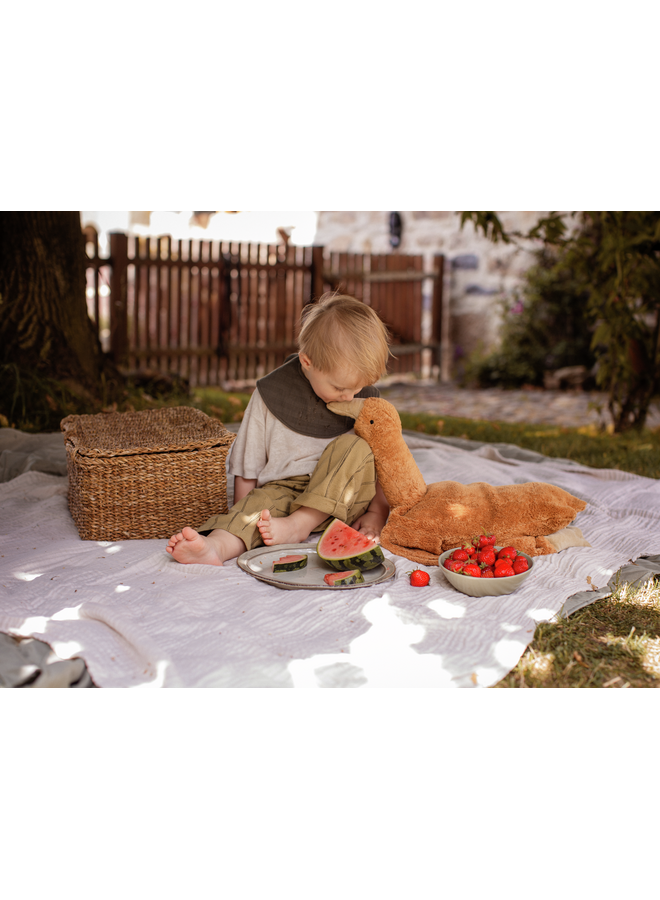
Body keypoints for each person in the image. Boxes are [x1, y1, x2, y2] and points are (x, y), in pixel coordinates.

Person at [166, 293, 392, 567]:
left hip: (347, 500)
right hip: (285, 493)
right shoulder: (270, 395)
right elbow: (247, 465)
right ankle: (215, 547)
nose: (349, 396)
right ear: (307, 362)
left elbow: (383, 460)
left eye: (357, 388)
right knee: (256, 507)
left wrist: (378, 512)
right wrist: (241, 514)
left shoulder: (363, 398)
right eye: (340, 388)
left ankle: (300, 525)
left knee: (355, 447)